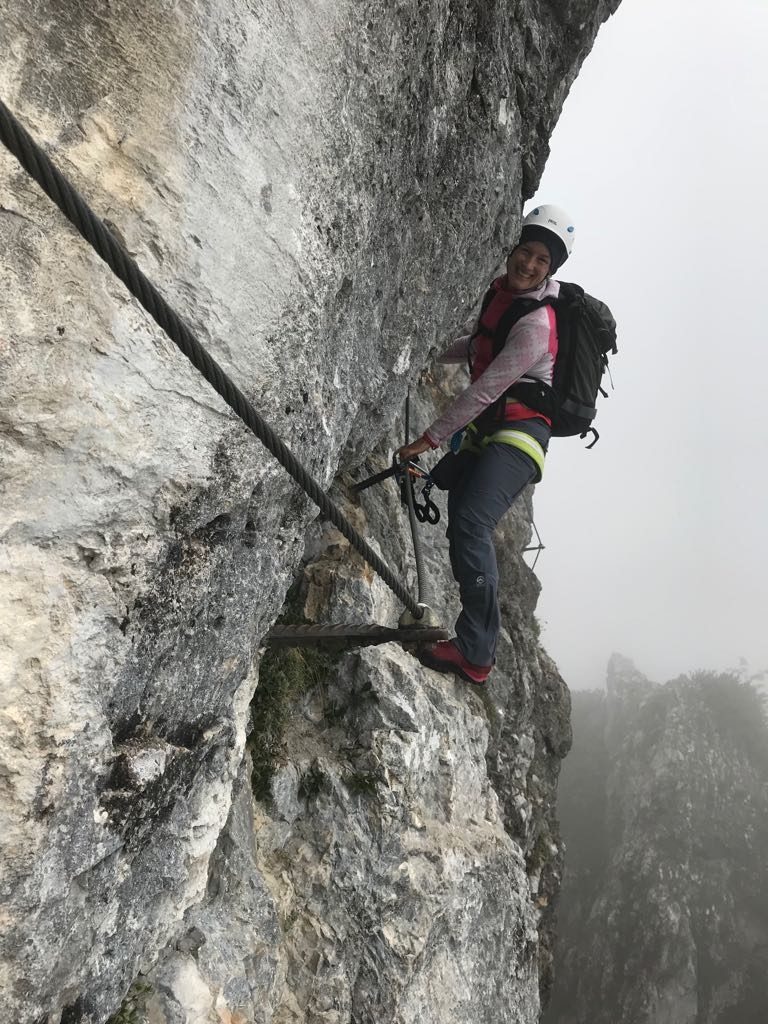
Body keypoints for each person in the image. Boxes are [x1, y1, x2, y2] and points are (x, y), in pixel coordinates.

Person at [397, 204, 575, 686]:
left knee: (472, 524)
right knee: (457, 513)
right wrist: (425, 352)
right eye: (527, 251)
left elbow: (485, 387)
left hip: (519, 435)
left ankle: (476, 653)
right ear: (513, 250)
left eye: (543, 260)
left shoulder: (537, 326)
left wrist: (428, 439)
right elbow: (477, 346)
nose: (530, 264)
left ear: (550, 270)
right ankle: (471, 642)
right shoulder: (501, 296)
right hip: (490, 431)